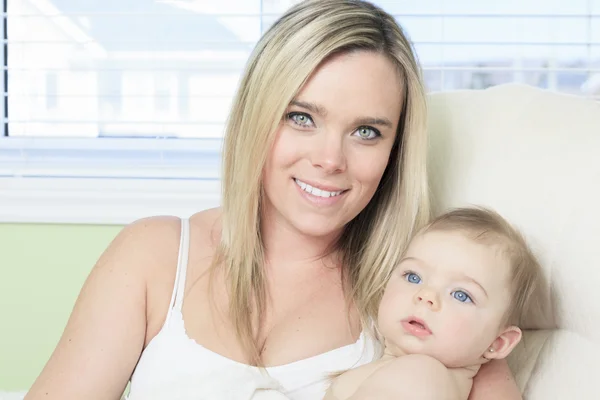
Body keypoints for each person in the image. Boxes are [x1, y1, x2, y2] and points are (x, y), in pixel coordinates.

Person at [24, 1, 522, 399]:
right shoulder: (154, 257)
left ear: (395, 152)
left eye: (366, 131)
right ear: (256, 117)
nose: (330, 159)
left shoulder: (424, 298)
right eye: (301, 117)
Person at [325, 207, 551, 399]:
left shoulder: (422, 373)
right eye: (413, 277)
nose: (426, 295)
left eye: (461, 295)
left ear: (499, 342)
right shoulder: (382, 370)